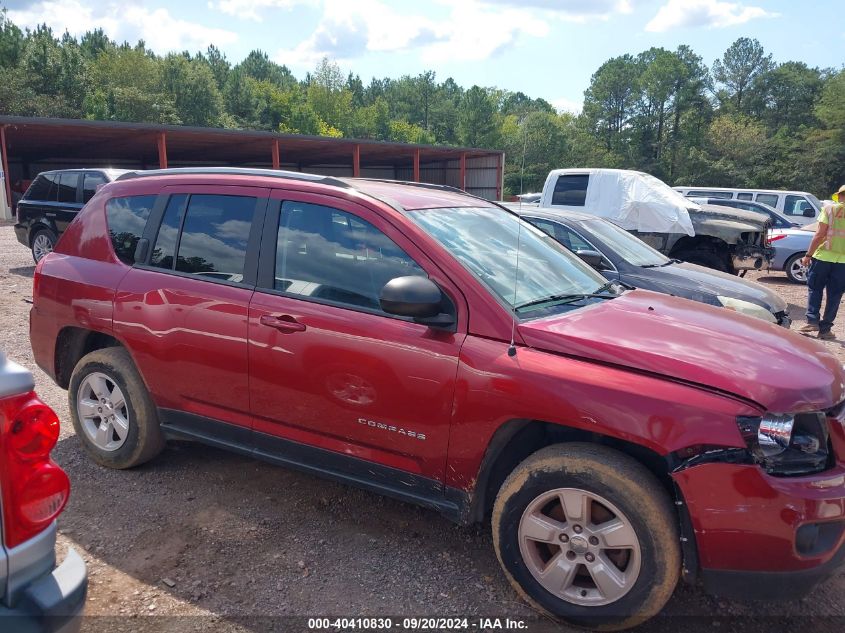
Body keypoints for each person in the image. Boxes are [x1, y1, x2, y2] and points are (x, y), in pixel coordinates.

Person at [799, 185, 845, 340]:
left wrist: (808, 255)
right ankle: (825, 330)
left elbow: (819, 235)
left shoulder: (829, 210)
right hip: (843, 263)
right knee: (835, 295)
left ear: (839, 196)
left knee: (815, 289)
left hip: (823, 257)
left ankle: (812, 321)